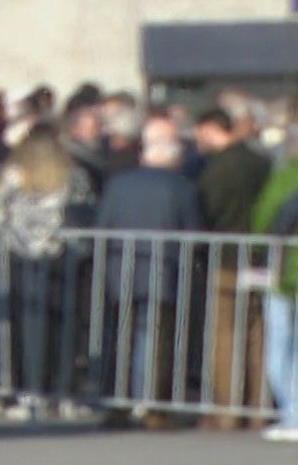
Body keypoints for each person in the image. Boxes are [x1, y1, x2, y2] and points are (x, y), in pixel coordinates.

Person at [96, 131, 203, 426]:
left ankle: (119, 402)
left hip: (121, 269)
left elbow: (102, 225)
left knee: (121, 339)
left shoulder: (117, 184)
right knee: (156, 341)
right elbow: (194, 233)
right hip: (164, 271)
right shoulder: (182, 187)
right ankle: (151, 405)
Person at [0, 123, 95, 413]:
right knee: (63, 325)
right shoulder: (72, 175)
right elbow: (84, 209)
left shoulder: (14, 175)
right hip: (60, 253)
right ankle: (62, 389)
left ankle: (28, 388)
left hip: (21, 254)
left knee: (25, 325)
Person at [196, 108, 272, 428]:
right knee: (258, 332)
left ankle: (228, 409)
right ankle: (259, 408)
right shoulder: (262, 163)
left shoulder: (215, 169)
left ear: (211, 129)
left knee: (226, 334)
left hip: (226, 258)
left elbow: (207, 210)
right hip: (261, 257)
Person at [251, 123, 298, 441]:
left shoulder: (284, 177)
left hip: (283, 267)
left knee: (279, 342)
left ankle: (292, 412)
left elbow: (264, 219)